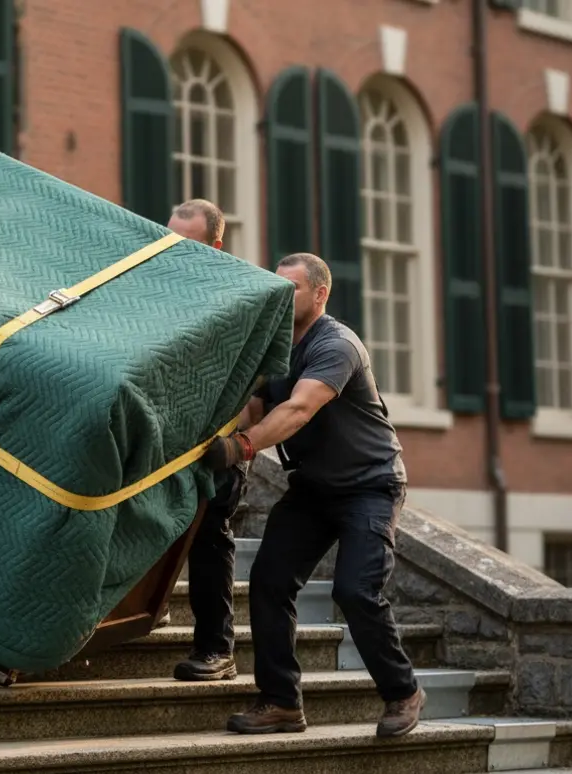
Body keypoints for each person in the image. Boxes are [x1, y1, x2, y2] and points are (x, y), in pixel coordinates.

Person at [203, 252, 425, 737]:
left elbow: (300, 409)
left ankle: (403, 691)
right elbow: (256, 406)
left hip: (370, 485)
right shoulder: (275, 345)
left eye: (293, 289)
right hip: (313, 487)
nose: (283, 296)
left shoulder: (337, 344)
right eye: (277, 287)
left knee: (355, 590)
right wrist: (210, 435)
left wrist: (238, 448)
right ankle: (282, 702)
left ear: (320, 294)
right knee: (269, 581)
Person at [166, 199, 246, 682]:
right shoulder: (161, 285)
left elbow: (254, 380)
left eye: (186, 242)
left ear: (215, 245)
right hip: (167, 437)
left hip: (218, 445)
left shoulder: (239, 296)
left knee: (210, 540)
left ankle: (218, 649)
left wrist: (231, 441)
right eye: (170, 238)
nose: (175, 250)